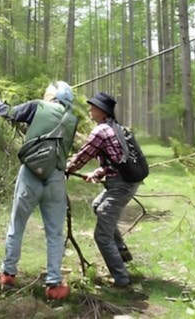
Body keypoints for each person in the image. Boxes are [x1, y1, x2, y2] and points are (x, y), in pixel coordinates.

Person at [0, 81, 78, 300]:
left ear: (52, 95)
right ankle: (54, 285)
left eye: (47, 91)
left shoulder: (38, 106)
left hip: (30, 174)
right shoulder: (73, 120)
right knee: (55, 233)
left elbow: (8, 113)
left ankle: (8, 274)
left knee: (17, 224)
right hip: (56, 176)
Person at [65, 91, 139, 288]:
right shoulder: (116, 129)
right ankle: (122, 251)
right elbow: (116, 162)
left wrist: (66, 168)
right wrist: (98, 173)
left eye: (93, 107)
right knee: (98, 205)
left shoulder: (101, 131)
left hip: (120, 186)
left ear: (101, 111)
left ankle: (122, 279)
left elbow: (84, 155)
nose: (90, 109)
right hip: (126, 183)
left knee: (101, 236)